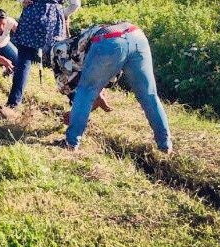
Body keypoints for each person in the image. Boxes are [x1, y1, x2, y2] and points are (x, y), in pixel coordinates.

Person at [51, 22, 173, 153]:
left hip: (109, 41)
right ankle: (165, 144)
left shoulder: (60, 51)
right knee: (149, 95)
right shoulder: (82, 39)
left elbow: (73, 82)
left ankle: (71, 142)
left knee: (85, 91)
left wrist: (76, 108)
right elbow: (101, 72)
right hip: (136, 35)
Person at [3, 0, 81, 109]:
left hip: (33, 19)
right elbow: (75, 3)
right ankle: (76, 101)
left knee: (24, 61)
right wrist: (62, 14)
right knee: (61, 63)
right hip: (56, 21)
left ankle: (13, 103)